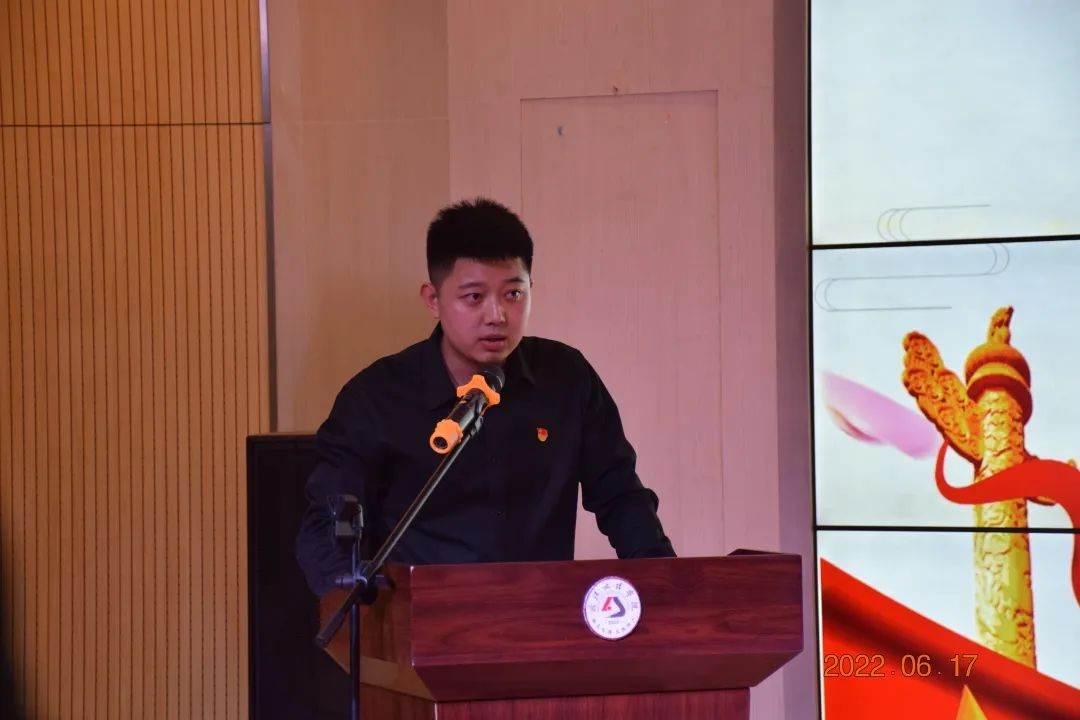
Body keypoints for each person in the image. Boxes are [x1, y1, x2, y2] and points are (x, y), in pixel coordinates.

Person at [296, 198, 675, 597]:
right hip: (420, 620)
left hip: (542, 613)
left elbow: (620, 496)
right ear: (432, 299)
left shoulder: (566, 378)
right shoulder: (376, 398)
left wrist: (668, 584)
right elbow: (326, 528)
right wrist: (358, 600)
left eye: (513, 294)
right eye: (474, 297)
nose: (497, 315)